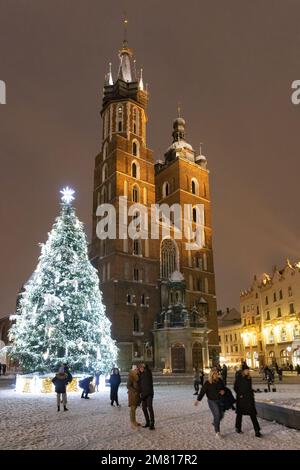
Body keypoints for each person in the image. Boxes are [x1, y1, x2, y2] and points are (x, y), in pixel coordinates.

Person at [194, 369, 225, 437]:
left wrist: (223, 391)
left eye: (217, 373)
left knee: (221, 415)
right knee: (217, 414)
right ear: (211, 375)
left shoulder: (219, 380)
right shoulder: (208, 383)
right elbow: (202, 392)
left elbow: (223, 388)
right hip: (212, 401)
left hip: (220, 400)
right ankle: (217, 432)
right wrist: (198, 400)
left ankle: (215, 422)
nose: (216, 375)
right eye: (214, 374)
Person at [234, 363, 261, 437]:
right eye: (246, 370)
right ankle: (238, 427)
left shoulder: (249, 378)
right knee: (239, 414)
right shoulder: (238, 377)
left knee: (253, 414)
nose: (247, 371)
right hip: (241, 399)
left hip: (249, 398)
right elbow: (235, 388)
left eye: (248, 370)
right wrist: (240, 395)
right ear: (243, 371)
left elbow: (249, 387)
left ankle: (257, 430)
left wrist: (252, 391)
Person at [138, 363, 155, 430]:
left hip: (149, 393)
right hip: (143, 394)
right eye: (140, 368)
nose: (141, 369)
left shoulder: (148, 373)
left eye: (142, 367)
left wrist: (145, 365)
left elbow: (147, 368)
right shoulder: (140, 375)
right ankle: (147, 422)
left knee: (150, 407)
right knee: (144, 408)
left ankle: (152, 423)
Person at [127, 365, 141, 430]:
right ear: (133, 370)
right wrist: (134, 391)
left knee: (134, 408)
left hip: (136, 394)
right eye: (135, 369)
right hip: (132, 394)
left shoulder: (137, 375)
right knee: (133, 408)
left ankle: (134, 421)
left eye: (137, 369)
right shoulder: (131, 376)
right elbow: (128, 386)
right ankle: (132, 422)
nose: (136, 370)